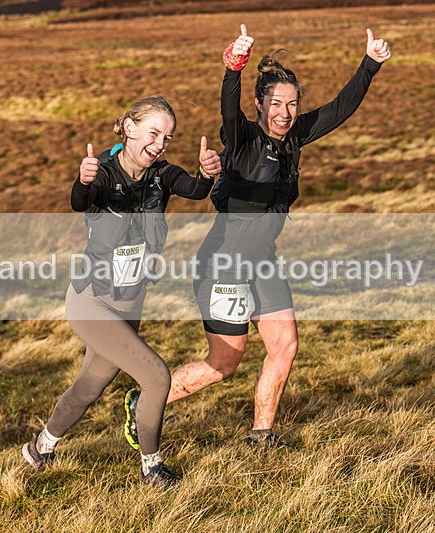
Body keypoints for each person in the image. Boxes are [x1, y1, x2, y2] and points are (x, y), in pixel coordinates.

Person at [124, 25, 392, 449]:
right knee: (223, 364)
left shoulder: (295, 137)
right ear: (260, 104)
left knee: (284, 345)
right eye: (276, 104)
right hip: (224, 264)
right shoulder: (245, 137)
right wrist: (234, 67)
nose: (285, 113)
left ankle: (261, 435)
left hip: (263, 261)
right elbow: (228, 110)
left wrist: (370, 64)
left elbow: (340, 108)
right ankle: (143, 402)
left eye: (291, 104)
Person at [23, 95, 221, 488]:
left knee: (89, 386)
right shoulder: (103, 174)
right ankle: (152, 467)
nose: (160, 143)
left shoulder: (162, 176)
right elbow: (81, 201)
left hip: (131, 303)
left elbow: (196, 190)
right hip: (91, 300)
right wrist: (82, 180)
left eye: (167, 137)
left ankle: (40, 447)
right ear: (129, 129)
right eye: (153, 133)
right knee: (156, 377)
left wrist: (207, 173)